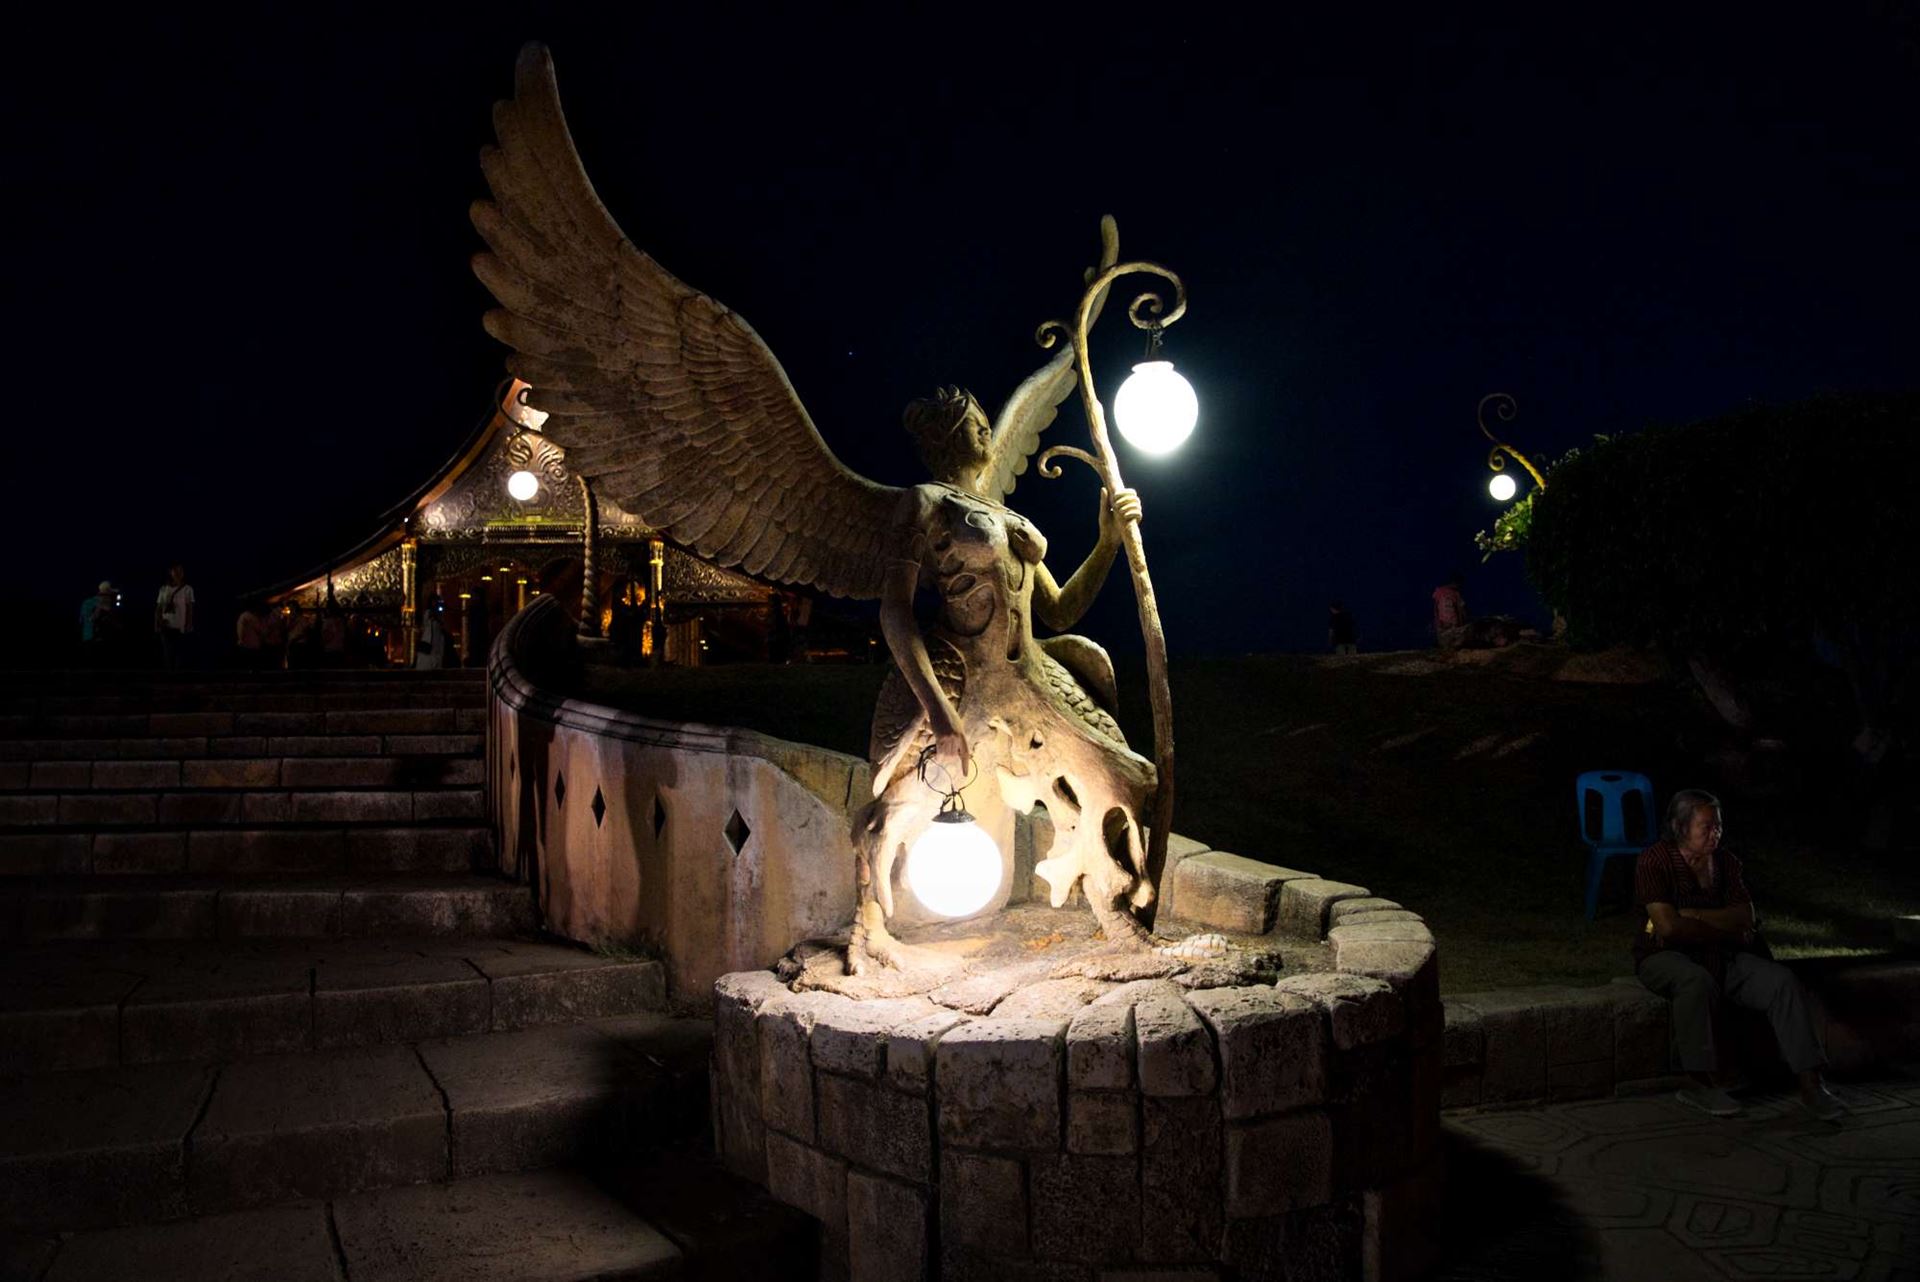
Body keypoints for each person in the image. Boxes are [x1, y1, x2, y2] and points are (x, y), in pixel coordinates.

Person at [1633, 789, 1845, 1120]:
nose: (1715, 833)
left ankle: (1811, 1084)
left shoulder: (1726, 863)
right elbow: (1668, 928)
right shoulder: (1655, 861)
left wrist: (1694, 916)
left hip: (1722, 955)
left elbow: (1746, 917)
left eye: (1718, 825)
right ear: (1680, 826)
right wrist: (1726, 928)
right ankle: (1699, 1082)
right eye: (1706, 826)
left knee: (1782, 981)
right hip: (1665, 956)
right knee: (1695, 981)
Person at [154, 563, 195, 669]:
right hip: (166, 625)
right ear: (170, 572)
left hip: (180, 626)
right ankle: (169, 674)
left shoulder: (187, 589)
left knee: (180, 655)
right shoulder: (164, 589)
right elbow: (159, 608)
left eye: (180, 571)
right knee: (168, 653)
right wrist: (157, 623)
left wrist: (189, 623)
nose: (178, 573)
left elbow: (189, 608)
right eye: (175, 571)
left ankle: (177, 674)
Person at [1432, 573, 1468, 650]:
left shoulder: (1451, 594)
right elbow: (1449, 620)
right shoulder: (1447, 595)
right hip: (1452, 636)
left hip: (1452, 635)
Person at [235, 599, 268, 669]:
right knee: (253, 666)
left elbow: (240, 630)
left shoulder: (243, 616)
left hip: (246, 644)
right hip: (252, 645)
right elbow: (260, 630)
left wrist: (240, 639)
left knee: (247, 666)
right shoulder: (251, 617)